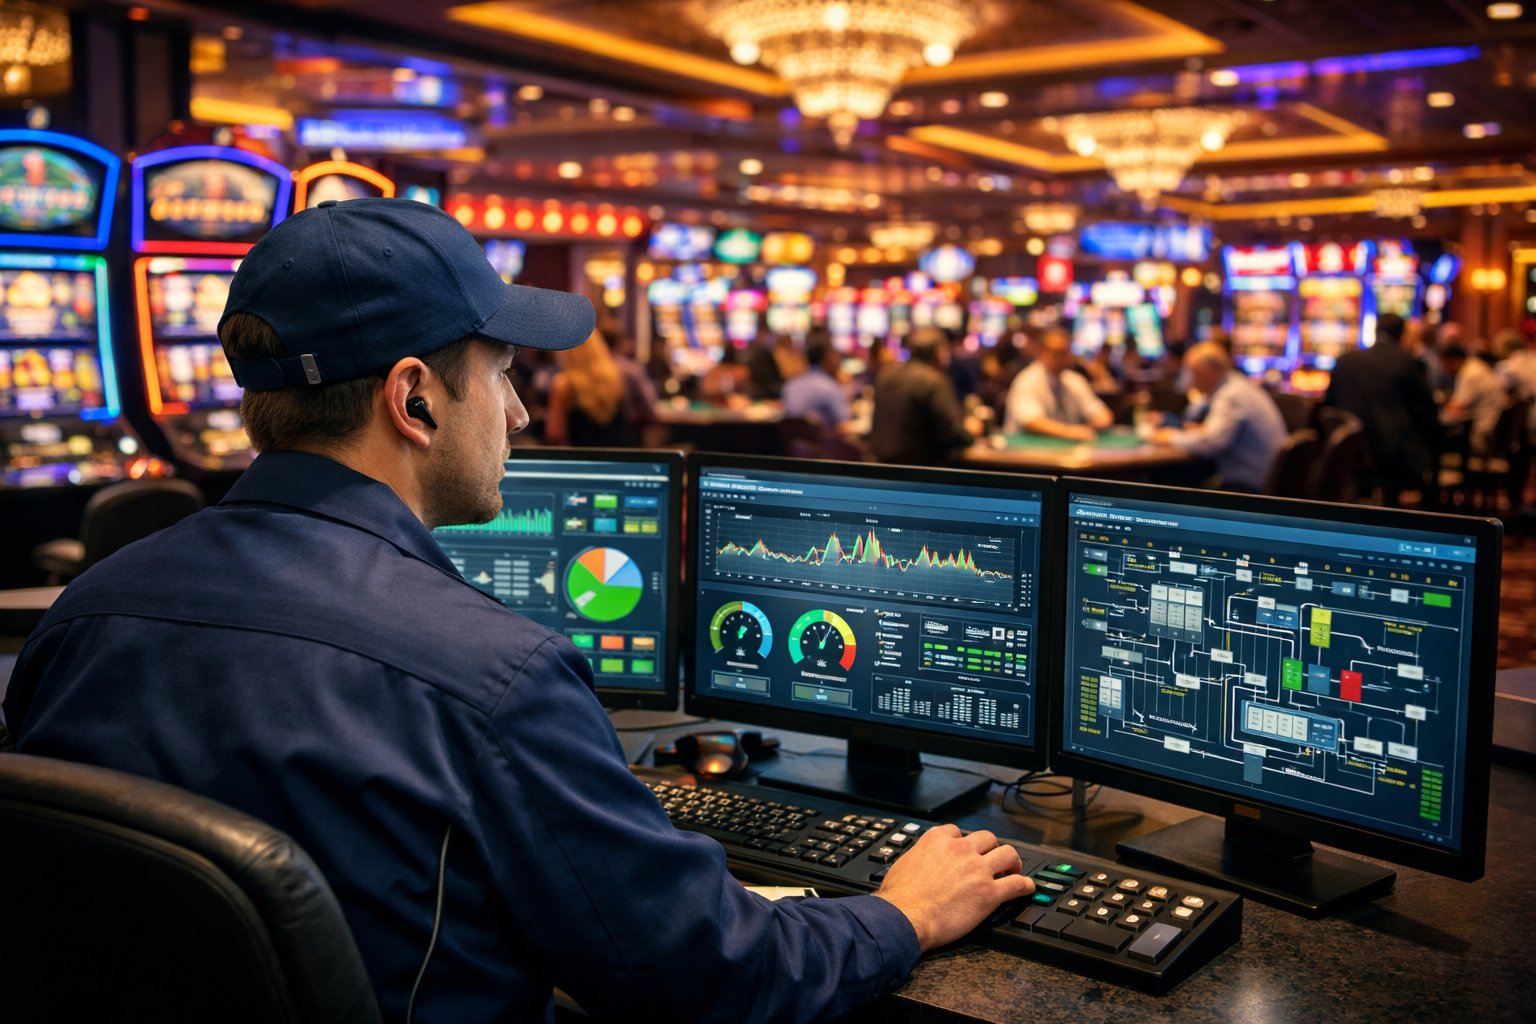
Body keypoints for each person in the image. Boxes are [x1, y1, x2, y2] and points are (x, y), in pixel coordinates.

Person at [1, 198, 1032, 1024]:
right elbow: (709, 977)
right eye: (501, 375)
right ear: (414, 400)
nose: (525, 412)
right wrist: (901, 914)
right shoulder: (493, 677)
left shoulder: (82, 616)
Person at [1324, 312, 1441, 504]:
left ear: (1375, 331)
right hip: (1394, 455)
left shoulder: (1345, 361)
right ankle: (1428, 518)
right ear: (1402, 335)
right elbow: (1428, 411)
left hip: (1349, 451)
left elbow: (1329, 406)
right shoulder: (1408, 362)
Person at [1153, 341, 1288, 493]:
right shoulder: (1238, 384)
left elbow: (1212, 443)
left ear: (1205, 373)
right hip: (1264, 480)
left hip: (1249, 487)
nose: (1189, 381)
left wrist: (1170, 437)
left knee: (1170, 483)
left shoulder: (1231, 395)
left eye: (1191, 373)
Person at [867, 327, 978, 465]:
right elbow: (954, 433)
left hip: (880, 468)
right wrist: (972, 433)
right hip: (919, 472)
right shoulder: (933, 381)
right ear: (939, 353)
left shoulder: (885, 375)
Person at [1003, 328, 1114, 441]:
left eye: (1065, 353)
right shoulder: (1026, 380)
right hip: (1026, 454)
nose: (1061, 359)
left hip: (1065, 454)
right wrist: (1071, 432)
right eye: (1055, 353)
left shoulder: (1074, 381)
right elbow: (1030, 422)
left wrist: (1096, 423)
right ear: (1041, 353)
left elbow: (1101, 414)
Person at [545, 329, 641, 446]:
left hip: (580, 457)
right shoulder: (617, 377)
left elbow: (555, 433)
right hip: (616, 454)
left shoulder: (563, 385)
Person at [1439, 341, 1508, 453]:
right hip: (1495, 427)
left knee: (1434, 435)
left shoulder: (1469, 373)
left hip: (1484, 432)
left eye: (1445, 363)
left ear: (1454, 360)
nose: (1444, 369)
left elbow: (1457, 407)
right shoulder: (1475, 365)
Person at [781, 333, 851, 430]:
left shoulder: (790, 385)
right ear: (825, 360)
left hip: (794, 443)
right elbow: (844, 422)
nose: (837, 360)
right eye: (834, 356)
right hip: (821, 443)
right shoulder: (828, 387)